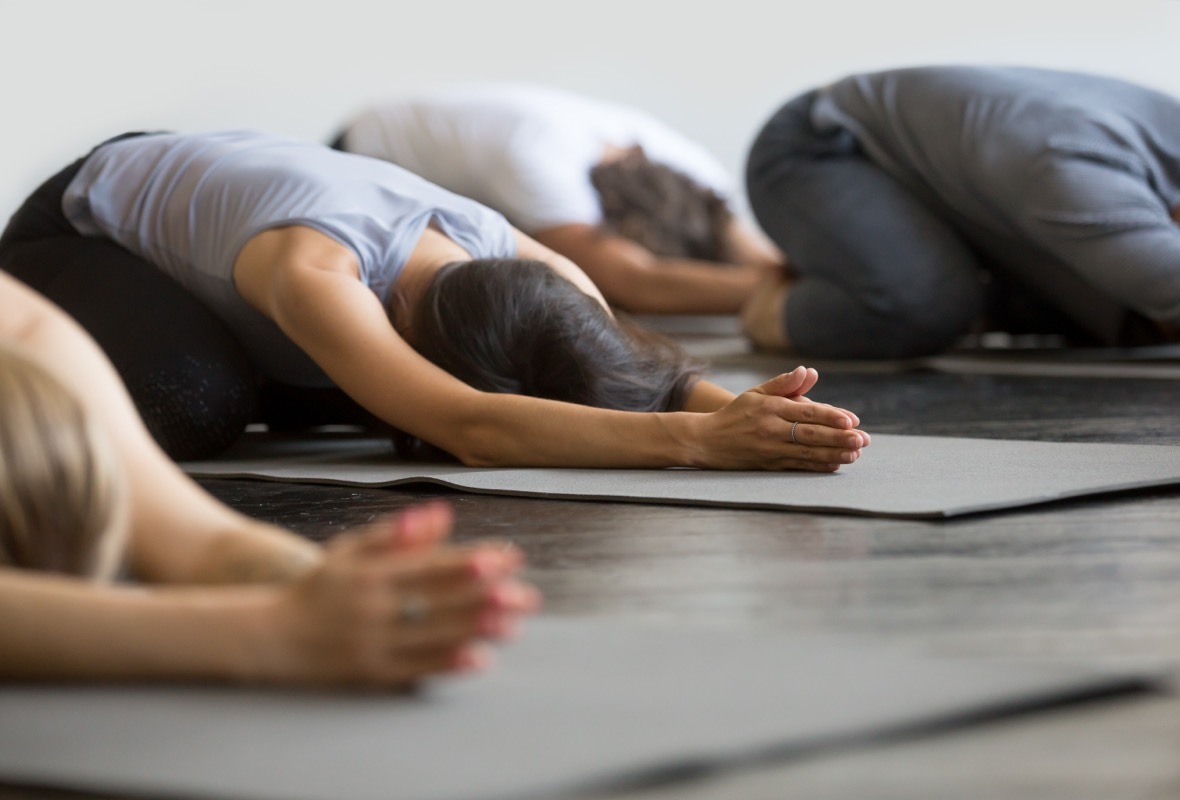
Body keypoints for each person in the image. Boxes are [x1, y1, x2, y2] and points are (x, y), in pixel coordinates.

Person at [0, 130, 869, 468]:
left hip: (245, 240)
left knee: (347, 385)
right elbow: (473, 425)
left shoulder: (539, 266)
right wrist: (698, 442)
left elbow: (619, 367)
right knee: (199, 404)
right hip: (79, 229)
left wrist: (750, 409)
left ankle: (317, 372)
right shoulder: (317, 271)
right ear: (412, 328)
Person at [0, 270, 539, 686]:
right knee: (200, 394)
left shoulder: (33, 339)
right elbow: (475, 427)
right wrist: (271, 632)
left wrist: (348, 591)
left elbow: (203, 541)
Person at [741, 65, 1180, 360]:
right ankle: (772, 309)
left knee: (1130, 313)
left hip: (965, 186)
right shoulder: (1075, 169)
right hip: (821, 146)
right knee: (923, 307)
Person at [332, 84, 786, 314]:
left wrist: (794, 274)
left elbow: (748, 251)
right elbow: (633, 279)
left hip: (478, 155)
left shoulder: (692, 168)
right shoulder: (540, 164)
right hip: (361, 156)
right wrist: (796, 298)